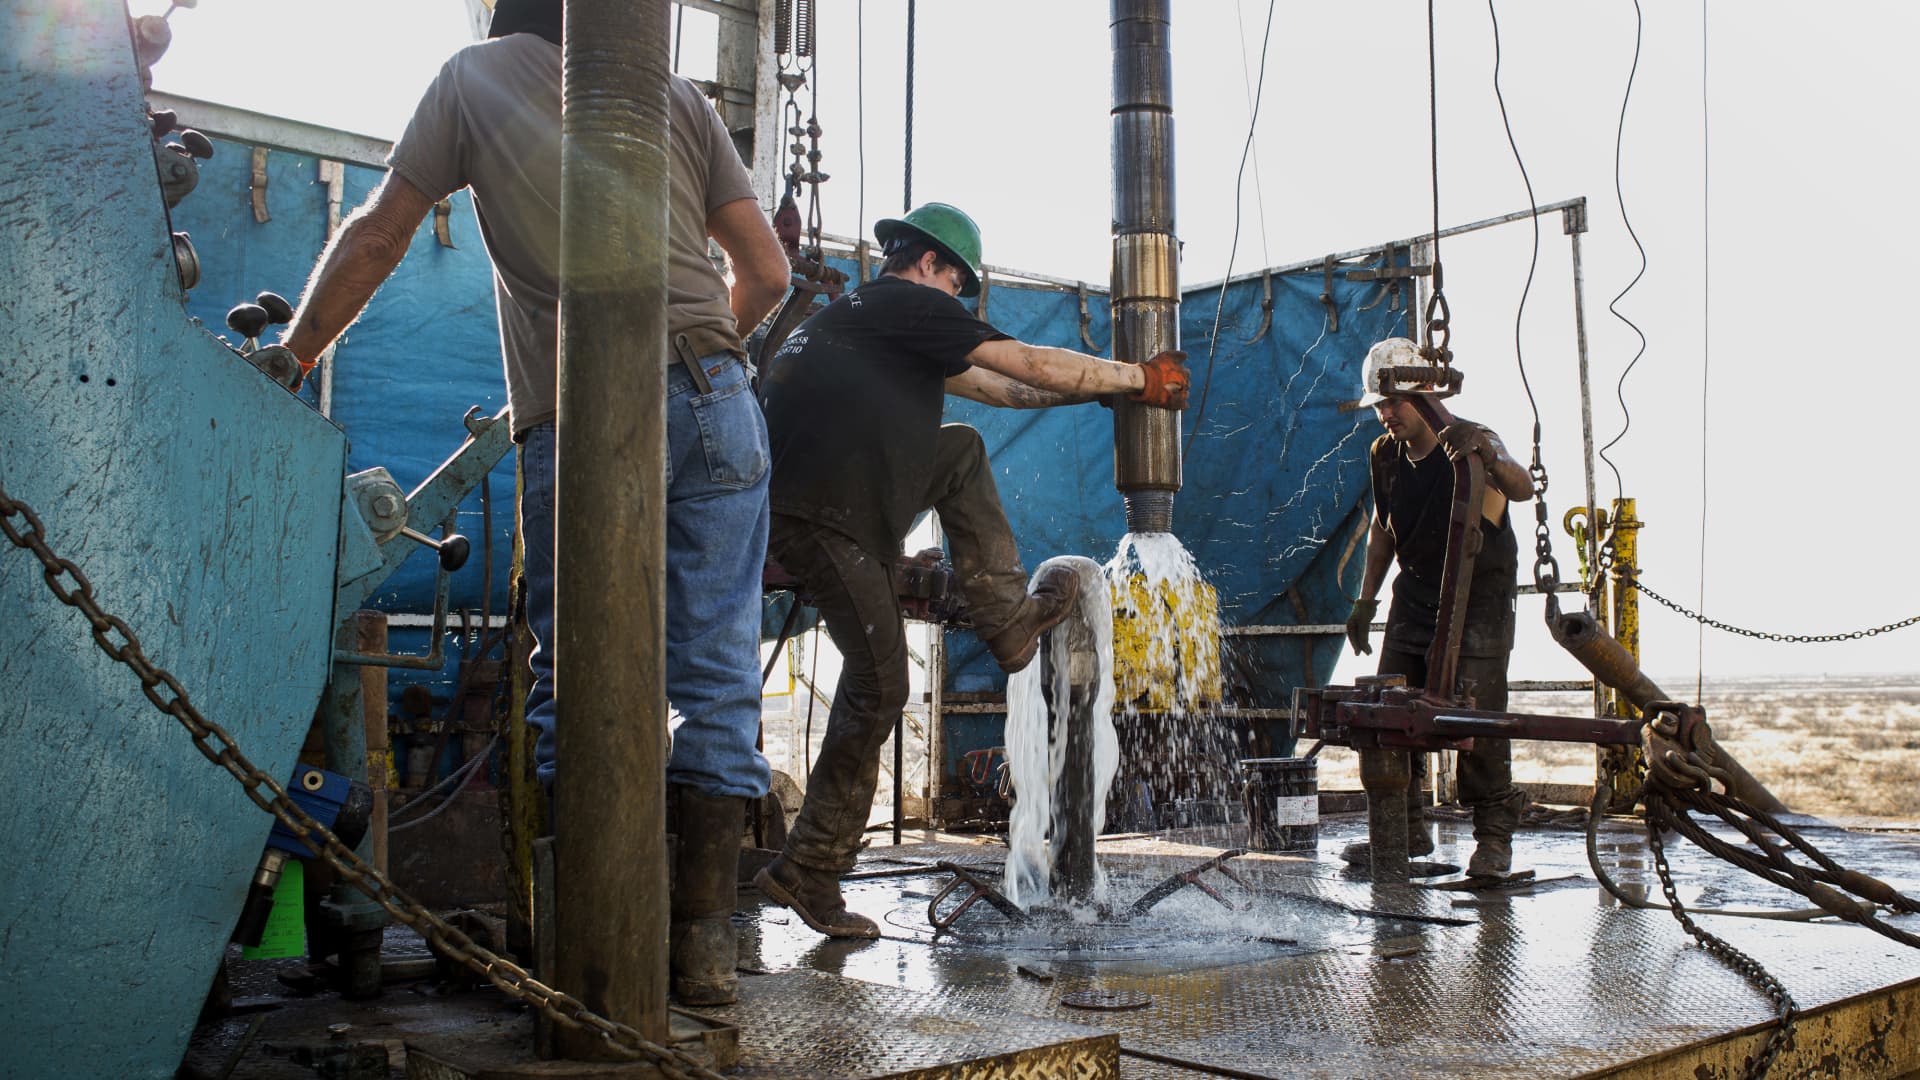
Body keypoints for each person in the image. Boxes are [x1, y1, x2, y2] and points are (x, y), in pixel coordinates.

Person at [278, 0, 790, 1006]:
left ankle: (587, 954)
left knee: (581, 679)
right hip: (723, 400)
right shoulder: (678, 96)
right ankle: (701, 953)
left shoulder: (471, 77)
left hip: (588, 408)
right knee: (720, 676)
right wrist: (696, 361)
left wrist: (290, 360)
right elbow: (766, 272)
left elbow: (382, 235)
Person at [753, 202, 1190, 937]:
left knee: (959, 451)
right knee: (883, 683)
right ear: (930, 265)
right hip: (825, 520)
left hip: (822, 505)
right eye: (957, 285)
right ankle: (810, 868)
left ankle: (1009, 626)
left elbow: (1005, 389)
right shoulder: (906, 306)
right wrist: (1138, 378)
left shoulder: (873, 321)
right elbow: (1024, 361)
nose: (957, 299)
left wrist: (1108, 390)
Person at [1344, 337, 1535, 879]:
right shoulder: (1385, 455)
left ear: (1425, 393)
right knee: (1389, 711)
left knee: (1476, 718)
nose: (1385, 415)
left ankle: (1494, 840)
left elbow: (1520, 488)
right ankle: (1404, 829)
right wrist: (1365, 599)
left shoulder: (1472, 442)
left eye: (1394, 403)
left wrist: (1492, 453)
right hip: (1417, 595)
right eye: (1379, 406)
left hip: (1480, 600)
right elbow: (1384, 530)